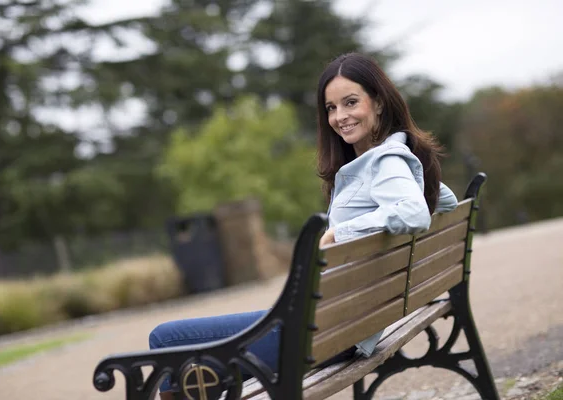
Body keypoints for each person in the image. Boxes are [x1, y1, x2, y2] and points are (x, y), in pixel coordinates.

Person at [149, 52, 458, 399]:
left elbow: (414, 212)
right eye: (331, 108)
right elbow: (442, 203)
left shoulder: (385, 161)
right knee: (201, 367)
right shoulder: (396, 157)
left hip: (324, 333)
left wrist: (343, 231)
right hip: (338, 325)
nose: (340, 117)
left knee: (166, 340)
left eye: (351, 102)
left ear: (380, 103)